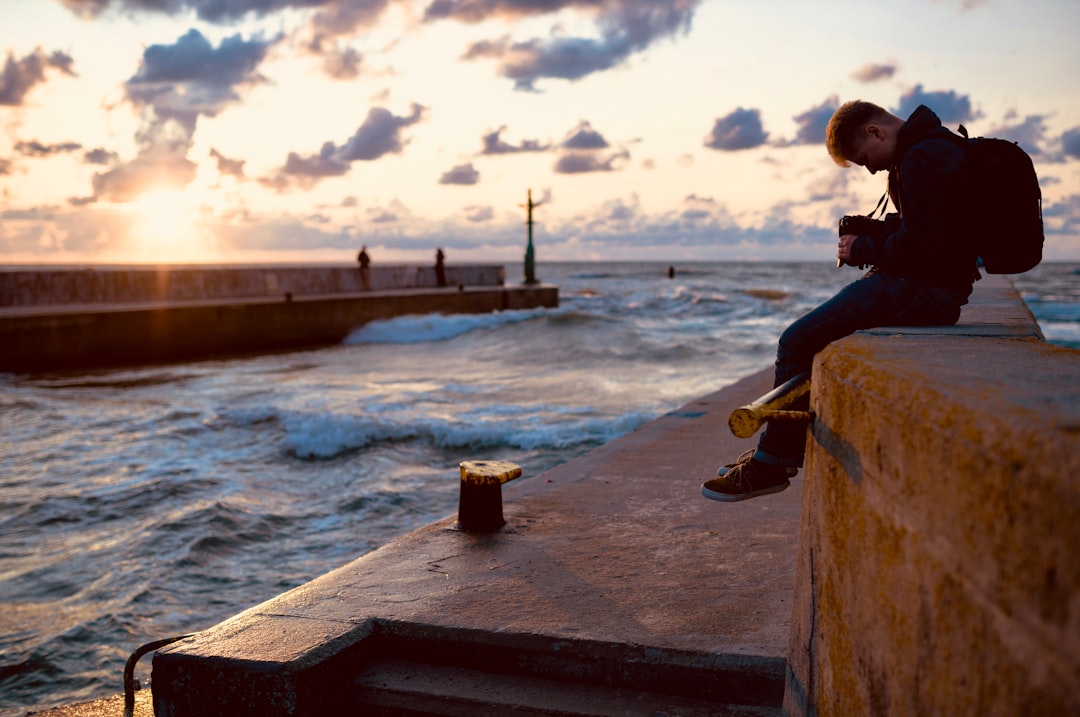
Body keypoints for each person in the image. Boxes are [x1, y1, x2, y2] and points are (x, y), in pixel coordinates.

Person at [702, 100, 981, 502]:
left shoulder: (923, 157)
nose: (869, 168)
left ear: (875, 132)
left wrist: (861, 247)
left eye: (864, 158)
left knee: (795, 341)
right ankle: (774, 454)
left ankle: (772, 463)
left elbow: (921, 247)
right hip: (930, 286)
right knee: (813, 339)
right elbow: (933, 233)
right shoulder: (934, 148)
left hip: (923, 290)